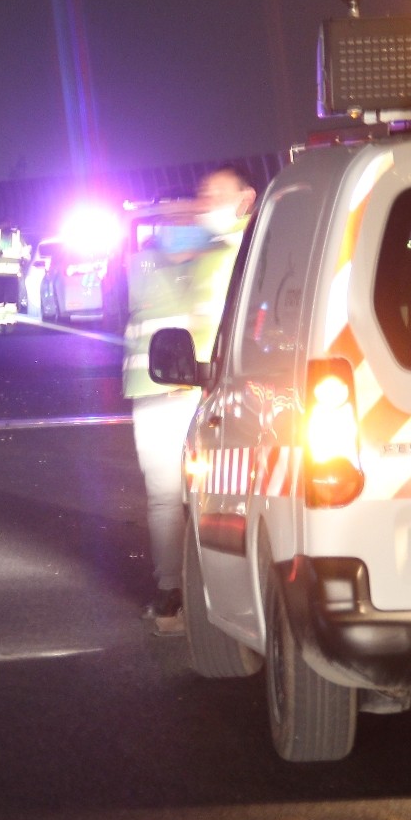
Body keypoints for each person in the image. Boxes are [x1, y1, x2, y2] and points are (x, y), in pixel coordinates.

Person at [123, 165, 256, 634]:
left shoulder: (245, 246)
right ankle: (178, 595)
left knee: (207, 499)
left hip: (211, 392)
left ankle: (192, 597)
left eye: (218, 194)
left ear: (248, 197)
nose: (205, 202)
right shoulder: (187, 250)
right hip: (172, 391)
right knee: (173, 497)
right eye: (202, 194)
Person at [0, 223, 32, 331]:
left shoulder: (17, 238)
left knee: (11, 298)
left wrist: (24, 261)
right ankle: (0, 321)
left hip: (12, 274)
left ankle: (10, 321)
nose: (6, 227)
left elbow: (26, 252)